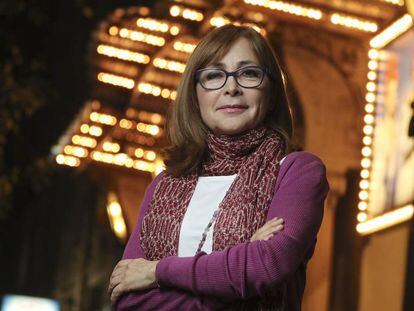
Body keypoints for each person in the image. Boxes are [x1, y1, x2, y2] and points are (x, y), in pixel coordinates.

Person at [108, 24, 329, 310]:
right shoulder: (164, 184)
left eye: (249, 73)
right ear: (195, 95)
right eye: (214, 75)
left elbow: (266, 267)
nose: (231, 88)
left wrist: (156, 272)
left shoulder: (297, 171)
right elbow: (127, 298)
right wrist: (238, 267)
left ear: (272, 91)